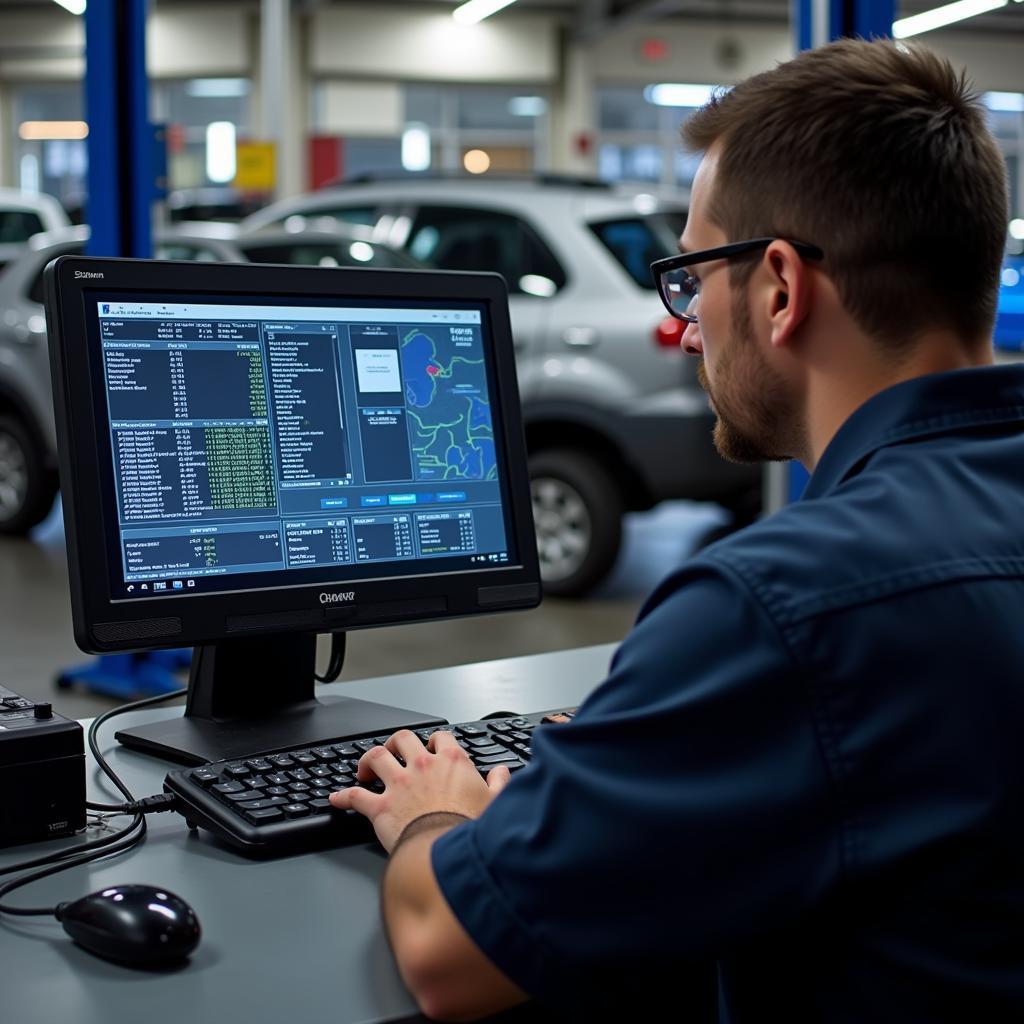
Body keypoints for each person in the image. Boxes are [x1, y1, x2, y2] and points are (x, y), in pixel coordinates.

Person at [329, 38, 1024, 1022]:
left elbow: (451, 955)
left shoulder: (783, 604)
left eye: (693, 273)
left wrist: (432, 813)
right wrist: (647, 752)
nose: (688, 322)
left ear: (779, 288)